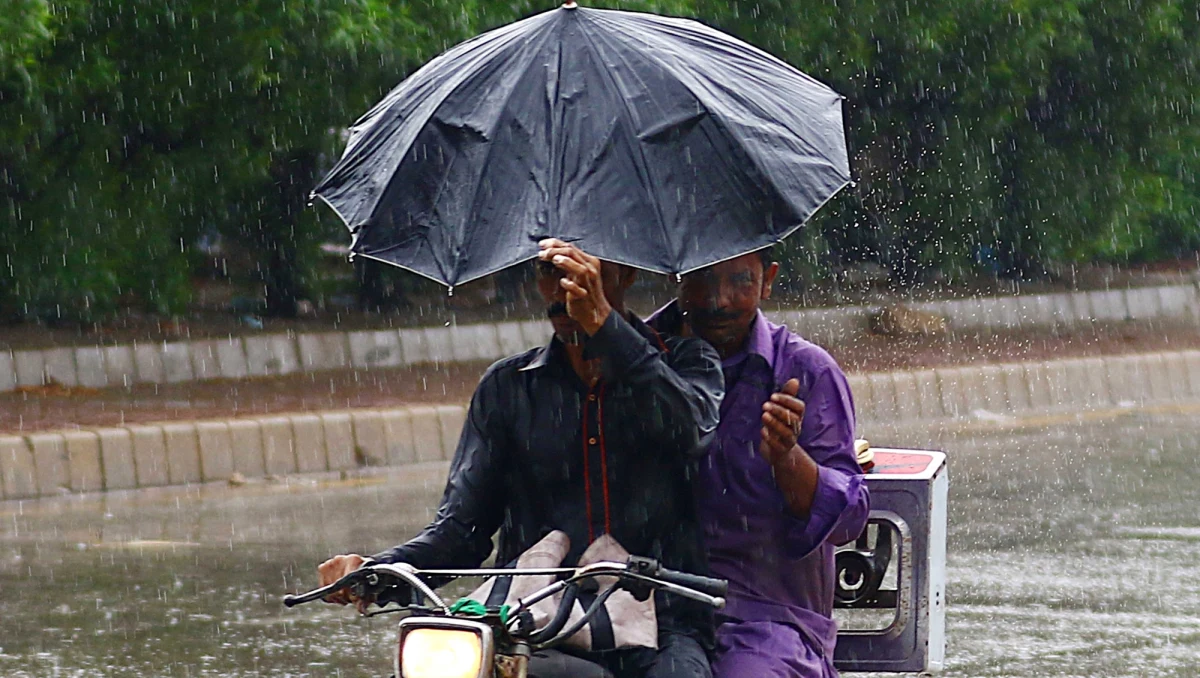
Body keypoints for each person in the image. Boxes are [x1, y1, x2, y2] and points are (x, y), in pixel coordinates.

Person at [318, 239, 724, 678]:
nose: (564, 289)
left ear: (626, 275)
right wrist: (377, 571)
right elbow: (461, 531)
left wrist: (605, 328)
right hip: (534, 622)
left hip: (662, 624)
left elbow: (690, 431)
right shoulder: (507, 387)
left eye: (583, 274)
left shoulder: (686, 361)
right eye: (551, 271)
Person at [648, 249, 869, 678]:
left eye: (740, 282)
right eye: (704, 282)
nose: (721, 300)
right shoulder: (636, 358)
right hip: (648, 610)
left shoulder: (806, 370)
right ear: (677, 278)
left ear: (768, 280)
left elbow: (848, 520)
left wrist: (787, 457)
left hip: (768, 621)